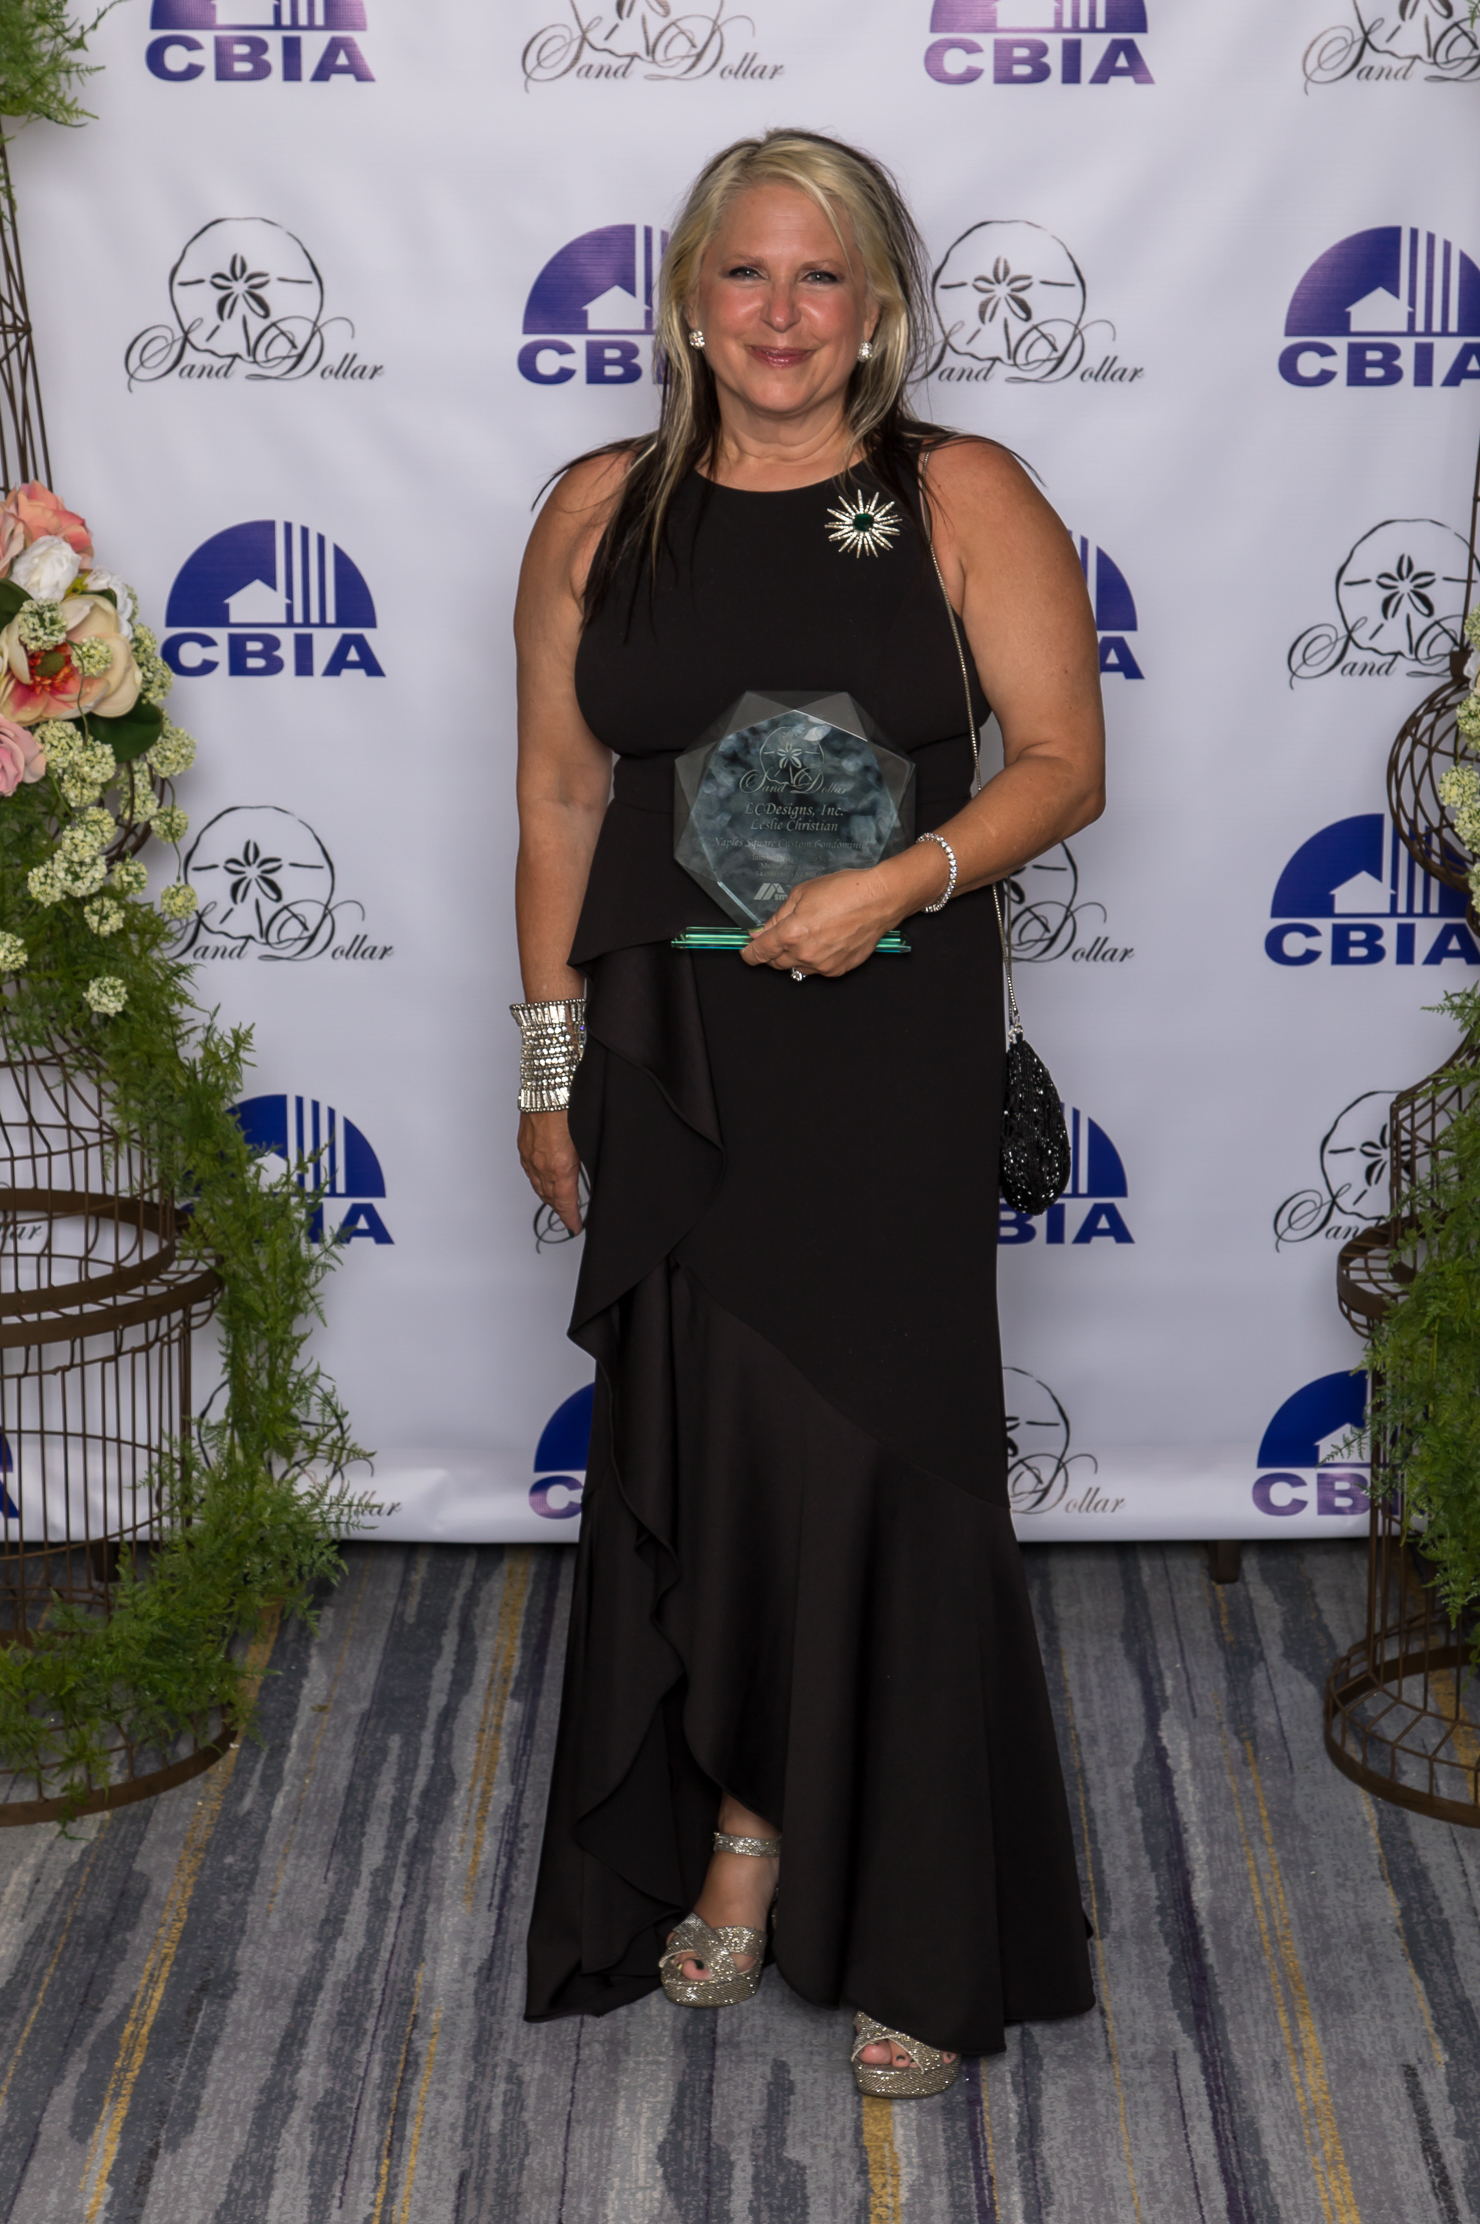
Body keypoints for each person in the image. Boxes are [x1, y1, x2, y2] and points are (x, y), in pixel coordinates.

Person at [515, 129, 1105, 2098]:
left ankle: (925, 1925)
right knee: (719, 1457)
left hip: (885, 1053)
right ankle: (746, 1837)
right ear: (690, 302)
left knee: (884, 1465)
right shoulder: (598, 508)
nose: (781, 314)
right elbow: (559, 798)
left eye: (821, 277)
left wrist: (898, 883)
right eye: (746, 274)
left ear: (877, 310)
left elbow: (1061, 760)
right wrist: (548, 1070)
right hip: (672, 1063)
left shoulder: (957, 493)